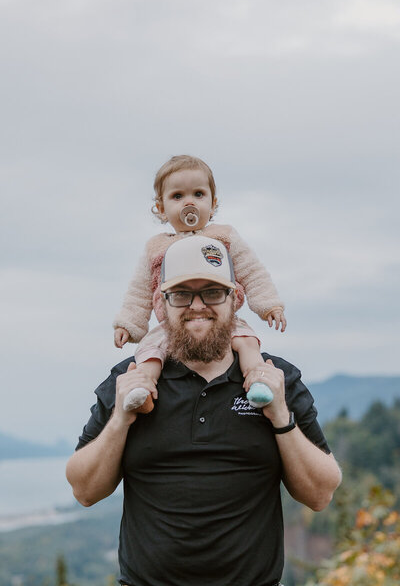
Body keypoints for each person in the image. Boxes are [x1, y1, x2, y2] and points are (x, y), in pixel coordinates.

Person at [66, 237, 342, 586]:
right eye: (181, 294)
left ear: (236, 299)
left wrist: (279, 414)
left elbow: (321, 493)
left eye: (212, 292)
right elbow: (84, 489)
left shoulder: (276, 379)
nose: (197, 306)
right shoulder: (131, 379)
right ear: (159, 302)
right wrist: (121, 418)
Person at [112, 155, 287, 411]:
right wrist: (129, 324)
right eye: (178, 196)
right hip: (172, 324)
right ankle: (143, 391)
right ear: (161, 208)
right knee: (150, 352)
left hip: (222, 320)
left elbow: (252, 272)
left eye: (198, 194)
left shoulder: (224, 237)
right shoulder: (156, 248)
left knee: (247, 341)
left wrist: (269, 305)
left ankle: (258, 383)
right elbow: (139, 291)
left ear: (213, 203)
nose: (189, 202)